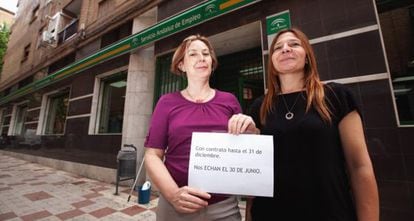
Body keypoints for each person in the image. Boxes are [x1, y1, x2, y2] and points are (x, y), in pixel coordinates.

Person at [230, 28, 379, 221]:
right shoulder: (260, 106)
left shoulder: (336, 96)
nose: (285, 49)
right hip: (270, 213)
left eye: (294, 44)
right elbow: (256, 175)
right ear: (273, 62)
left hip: (330, 212)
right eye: (278, 47)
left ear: (307, 56)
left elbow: (359, 166)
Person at [144, 34, 257, 221]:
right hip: (176, 207)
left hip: (223, 207)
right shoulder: (166, 103)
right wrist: (173, 195)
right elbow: (152, 155)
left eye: (206, 53)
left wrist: (251, 131)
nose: (202, 58)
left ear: (212, 62)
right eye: (193, 54)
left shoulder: (229, 100)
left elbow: (244, 153)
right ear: (181, 65)